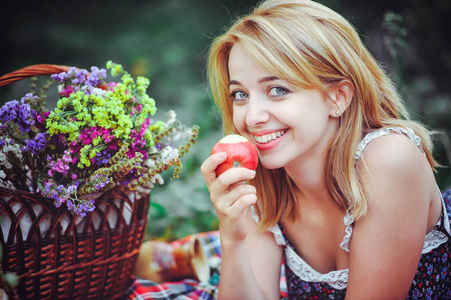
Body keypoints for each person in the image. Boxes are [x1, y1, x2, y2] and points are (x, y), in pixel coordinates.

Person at [200, 0, 451, 299]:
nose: (252, 117)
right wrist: (231, 237)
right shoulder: (263, 181)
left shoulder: (389, 160)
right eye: (240, 94)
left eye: (277, 90)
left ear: (337, 96)